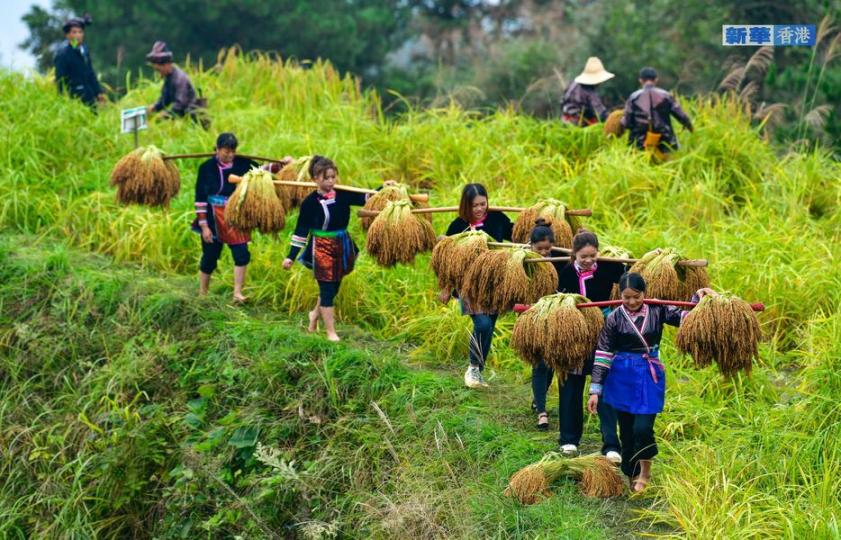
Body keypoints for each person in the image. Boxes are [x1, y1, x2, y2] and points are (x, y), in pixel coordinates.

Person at [587, 272, 716, 492]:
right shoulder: (614, 318)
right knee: (626, 430)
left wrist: (699, 299)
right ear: (620, 295)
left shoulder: (658, 309)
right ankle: (632, 472)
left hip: (648, 374)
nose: (631, 302)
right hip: (621, 376)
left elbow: (686, 318)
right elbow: (603, 353)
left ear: (644, 293)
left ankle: (645, 470)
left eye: (636, 296)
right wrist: (595, 389)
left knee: (642, 428)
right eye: (626, 297)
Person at [282, 157, 391, 342]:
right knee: (326, 288)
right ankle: (331, 333)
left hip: (342, 244)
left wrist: (384, 187)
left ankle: (314, 315)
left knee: (333, 287)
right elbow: (301, 231)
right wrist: (291, 256)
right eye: (326, 178)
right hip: (321, 248)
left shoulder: (343, 194)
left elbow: (367, 197)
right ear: (316, 178)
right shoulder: (310, 203)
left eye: (333, 177)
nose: (331, 181)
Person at [554, 229, 624, 462]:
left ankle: (611, 444)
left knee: (603, 385)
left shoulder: (608, 267)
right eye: (583, 256)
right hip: (573, 336)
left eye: (593, 256)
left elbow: (632, 276)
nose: (589, 261)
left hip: (602, 334)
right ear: (574, 254)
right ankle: (569, 440)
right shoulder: (565, 274)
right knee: (571, 385)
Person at [194, 132, 288, 302]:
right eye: (225, 152)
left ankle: (237, 293)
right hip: (212, 216)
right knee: (210, 256)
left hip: (235, 215)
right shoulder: (206, 168)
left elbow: (261, 170)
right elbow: (200, 198)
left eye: (232, 152)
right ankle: (203, 292)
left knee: (242, 254)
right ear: (217, 149)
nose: (229, 155)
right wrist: (204, 226)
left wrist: (281, 164)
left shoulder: (243, 164)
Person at [438, 183, 513, 389]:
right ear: (466, 206)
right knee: (482, 324)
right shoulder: (458, 226)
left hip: (495, 282)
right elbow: (447, 259)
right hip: (468, 284)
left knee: (489, 327)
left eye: (483, 204)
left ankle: (478, 371)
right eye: (474, 206)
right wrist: (445, 287)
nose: (480, 209)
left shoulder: (498, 219)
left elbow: (517, 236)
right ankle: (472, 367)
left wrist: (538, 226)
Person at [527, 219, 560, 430]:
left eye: (548, 249)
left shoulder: (560, 262)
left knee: (551, 364)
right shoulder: (524, 262)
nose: (545, 253)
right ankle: (541, 411)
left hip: (556, 318)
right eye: (540, 249)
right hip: (533, 318)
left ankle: (538, 398)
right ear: (531, 246)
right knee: (540, 363)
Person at [620, 67, 693, 158]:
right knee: (668, 167)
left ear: (640, 80)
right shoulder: (666, 96)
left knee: (640, 167)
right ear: (656, 80)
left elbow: (627, 123)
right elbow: (681, 116)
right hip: (665, 142)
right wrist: (691, 128)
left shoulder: (633, 97)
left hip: (639, 143)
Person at [145, 41, 205, 123]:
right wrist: (153, 108)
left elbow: (180, 105)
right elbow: (164, 100)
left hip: (193, 119)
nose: (158, 73)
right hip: (182, 119)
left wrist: (163, 115)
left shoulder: (179, 79)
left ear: (166, 64)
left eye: (159, 70)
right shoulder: (168, 79)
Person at [54, 15, 106, 108]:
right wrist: (63, 101)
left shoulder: (84, 49)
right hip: (74, 100)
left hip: (89, 96)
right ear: (67, 35)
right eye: (74, 32)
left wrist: (98, 92)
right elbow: (60, 80)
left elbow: (90, 72)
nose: (78, 35)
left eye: (80, 32)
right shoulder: (63, 54)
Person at [561, 57, 613, 126]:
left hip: (564, 120)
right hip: (579, 123)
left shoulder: (573, 83)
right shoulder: (589, 91)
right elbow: (601, 113)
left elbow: (562, 102)